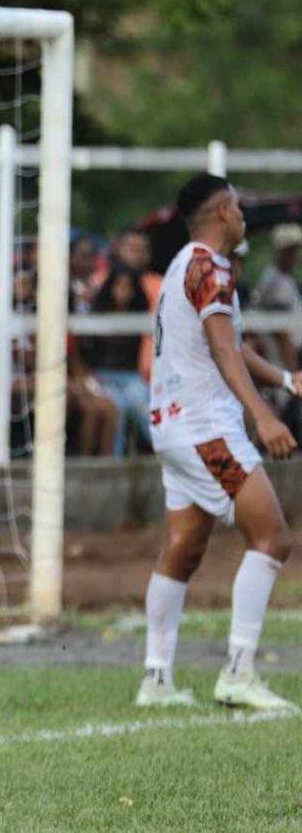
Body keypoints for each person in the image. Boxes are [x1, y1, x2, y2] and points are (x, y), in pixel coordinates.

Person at [138, 174, 298, 711]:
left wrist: (286, 380)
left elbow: (227, 345)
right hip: (205, 428)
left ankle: (156, 679)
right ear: (223, 211)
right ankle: (238, 672)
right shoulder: (212, 266)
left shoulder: (186, 264)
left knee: (183, 550)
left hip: (173, 428)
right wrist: (264, 418)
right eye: (240, 206)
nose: (245, 214)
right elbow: (226, 354)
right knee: (272, 539)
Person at [84, 265, 152, 457]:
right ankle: (116, 459)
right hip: (103, 376)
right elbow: (88, 354)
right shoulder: (96, 315)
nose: (123, 291)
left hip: (130, 376)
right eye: (119, 286)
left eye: (128, 286)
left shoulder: (139, 315)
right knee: (118, 408)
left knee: (143, 407)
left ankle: (168, 456)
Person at [251, 222, 302, 371]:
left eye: (295, 250)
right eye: (289, 250)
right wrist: (295, 375)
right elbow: (282, 333)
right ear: (278, 251)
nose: (294, 255)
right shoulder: (275, 283)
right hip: (286, 361)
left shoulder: (284, 278)